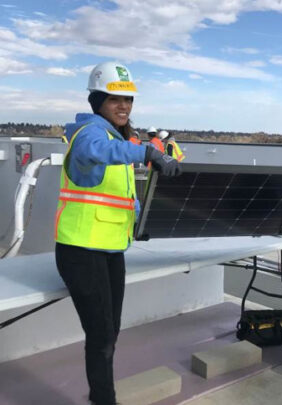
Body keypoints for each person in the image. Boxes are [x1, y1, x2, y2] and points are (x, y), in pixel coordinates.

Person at [54, 61, 181, 405]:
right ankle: (103, 399)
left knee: (111, 331)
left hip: (110, 249)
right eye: (114, 99)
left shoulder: (117, 138)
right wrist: (148, 151)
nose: (123, 106)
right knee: (101, 336)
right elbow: (96, 153)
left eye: (128, 100)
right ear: (98, 102)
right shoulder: (89, 134)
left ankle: (101, 395)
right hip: (80, 250)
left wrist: (140, 222)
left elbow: (121, 197)